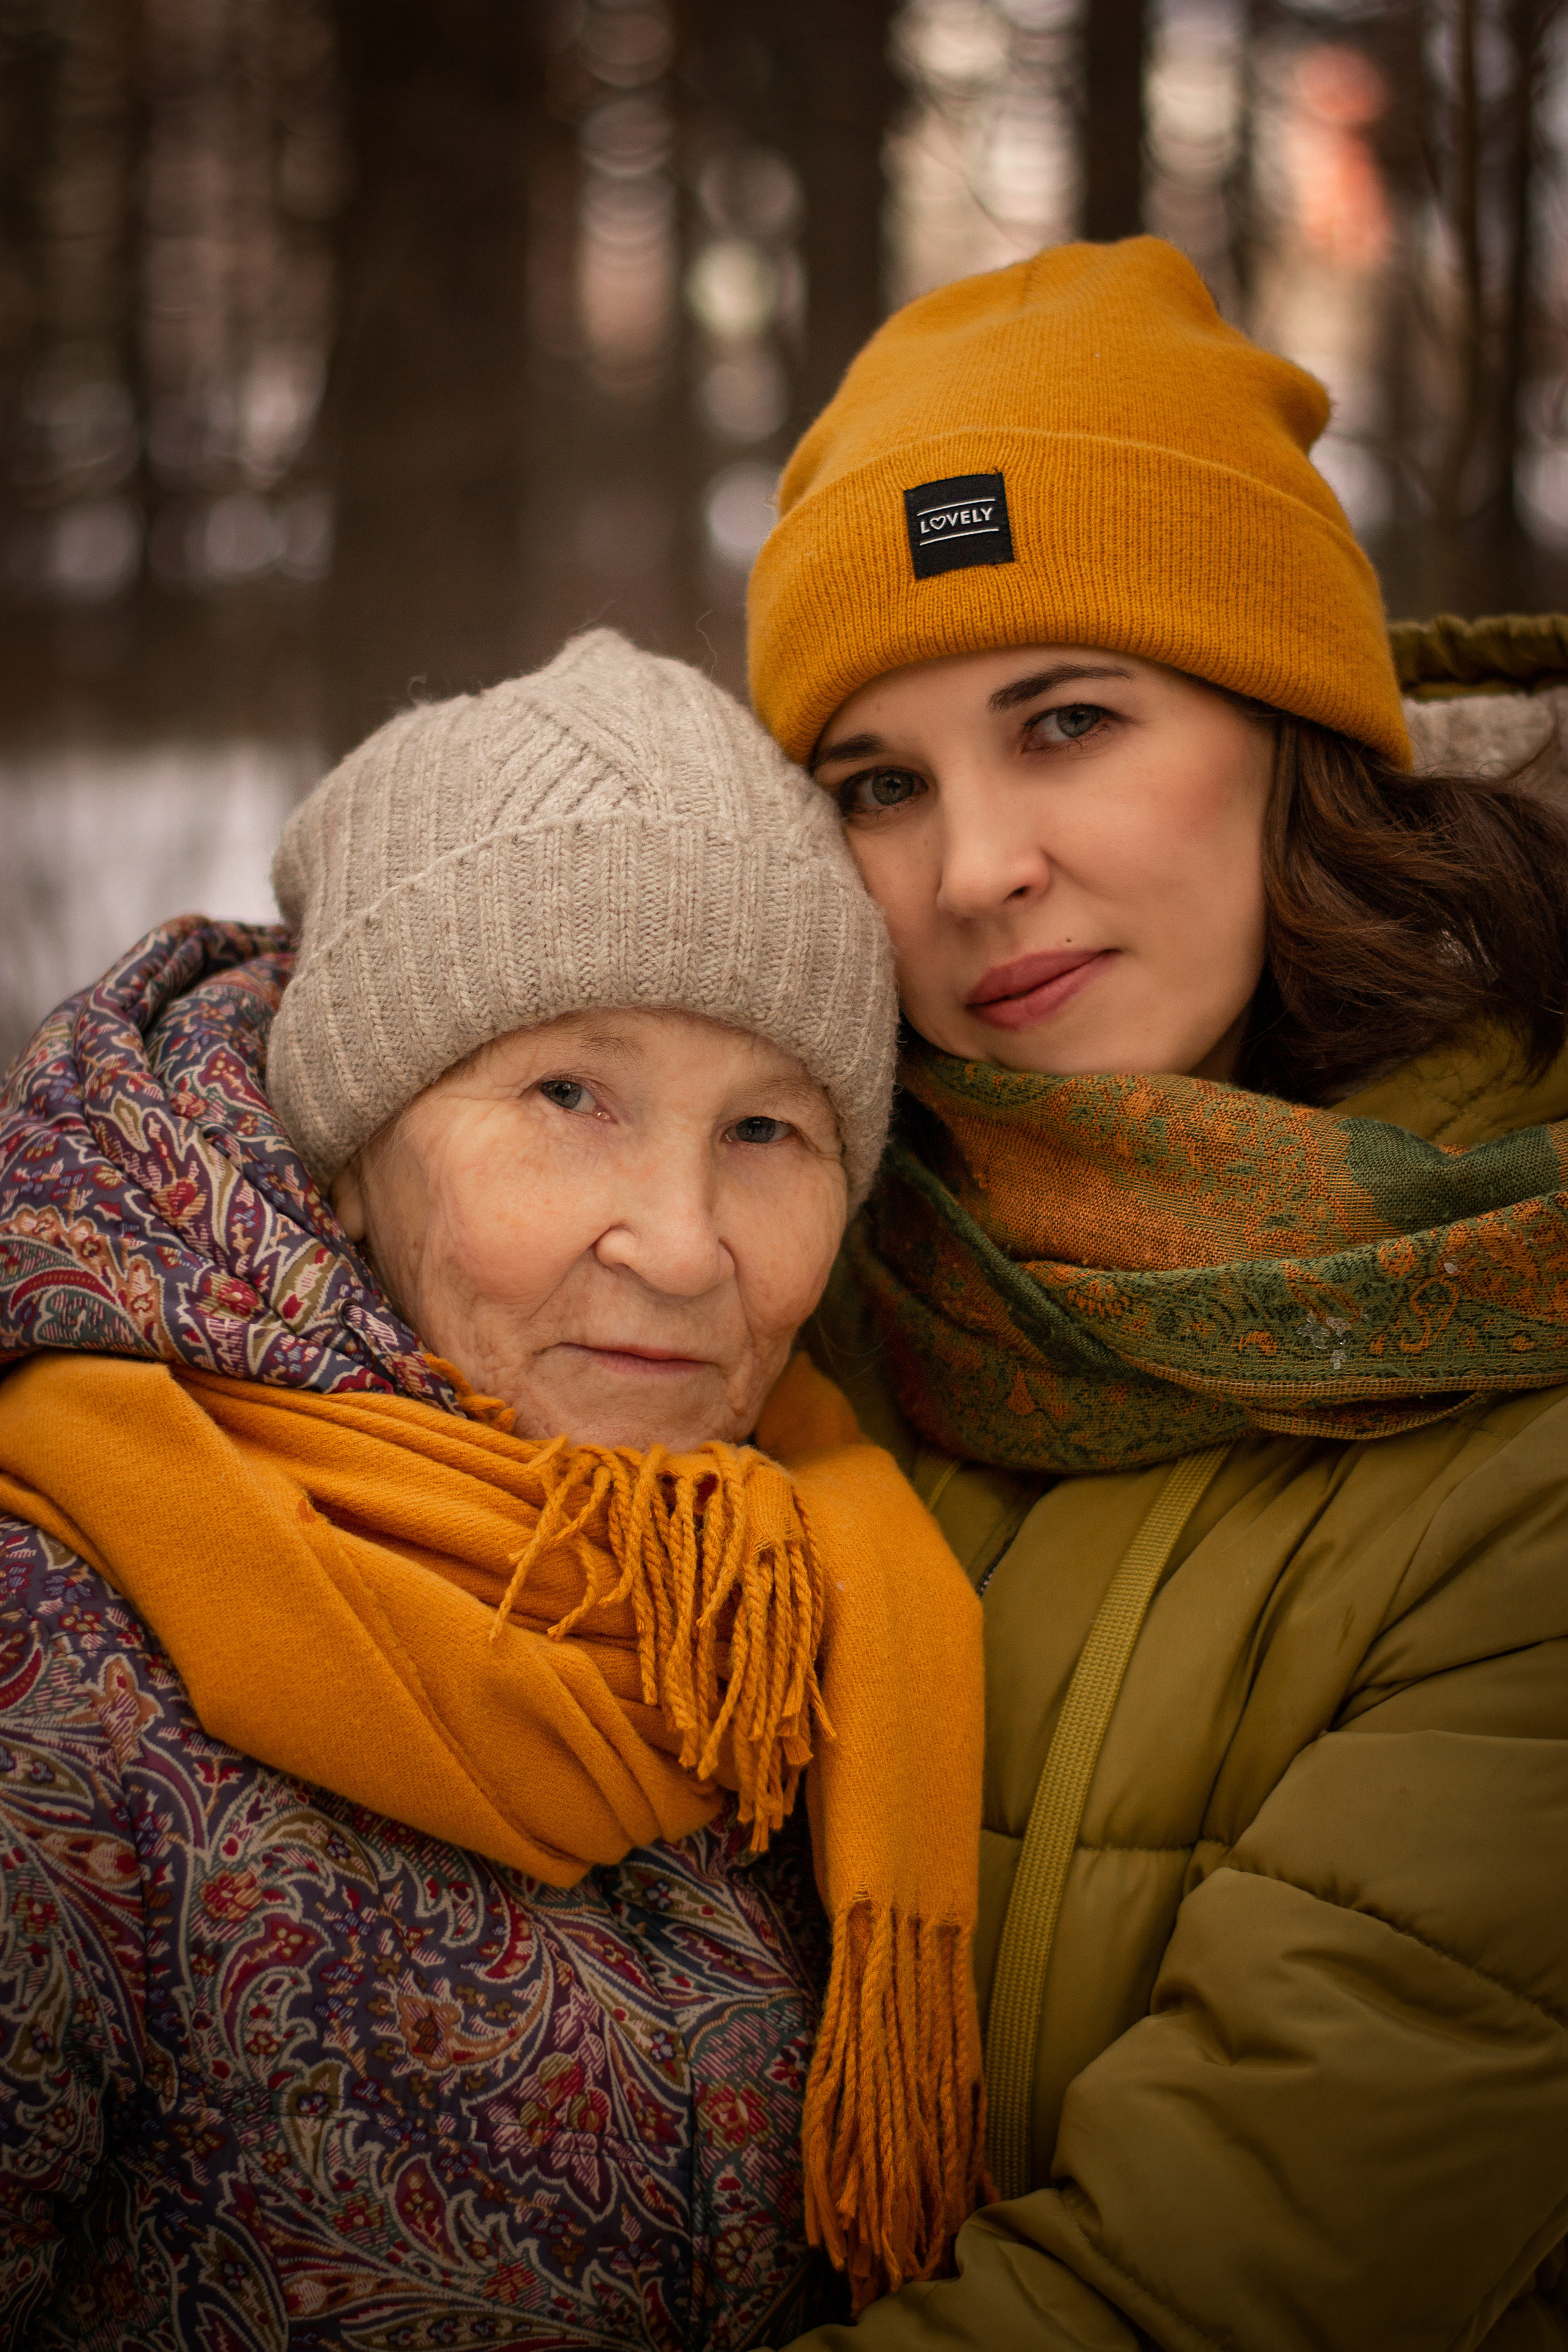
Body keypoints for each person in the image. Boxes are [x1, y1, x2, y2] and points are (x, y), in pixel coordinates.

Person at [745, 238, 1568, 2350]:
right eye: (881, 783)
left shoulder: (1533, 1410)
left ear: (1292, 727)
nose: (974, 869)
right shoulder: (788, 1267)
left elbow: (1208, 2286)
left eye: (1071, 720)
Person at [0, 630, 992, 2349]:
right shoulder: (51, 1671)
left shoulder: (817, 1594)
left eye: (768, 1132)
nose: (682, 1249)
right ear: (356, 1148)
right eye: (568, 1094)